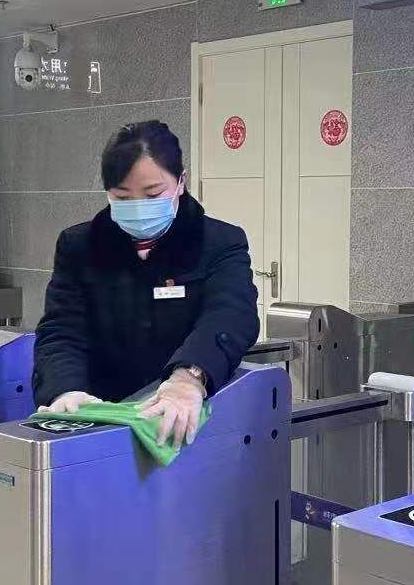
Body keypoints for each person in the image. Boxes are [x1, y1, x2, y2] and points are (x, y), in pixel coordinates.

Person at [34, 121, 260, 448]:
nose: (138, 206)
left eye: (153, 194)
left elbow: (230, 313)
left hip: (187, 417)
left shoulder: (219, 242)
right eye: (122, 197)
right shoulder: (80, 246)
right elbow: (62, 328)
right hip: (103, 419)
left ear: (181, 182)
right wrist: (64, 389)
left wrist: (188, 377)